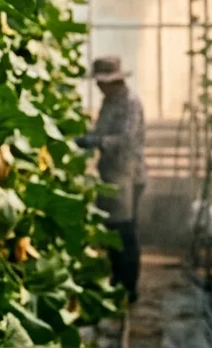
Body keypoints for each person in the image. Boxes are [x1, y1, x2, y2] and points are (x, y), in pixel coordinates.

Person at [75, 55, 147, 303]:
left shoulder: (130, 103)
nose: (98, 87)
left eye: (101, 82)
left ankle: (129, 287)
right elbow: (100, 130)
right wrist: (87, 137)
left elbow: (125, 139)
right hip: (110, 173)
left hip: (127, 174)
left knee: (125, 231)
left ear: (114, 81)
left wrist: (98, 142)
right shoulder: (109, 101)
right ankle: (117, 281)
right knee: (112, 230)